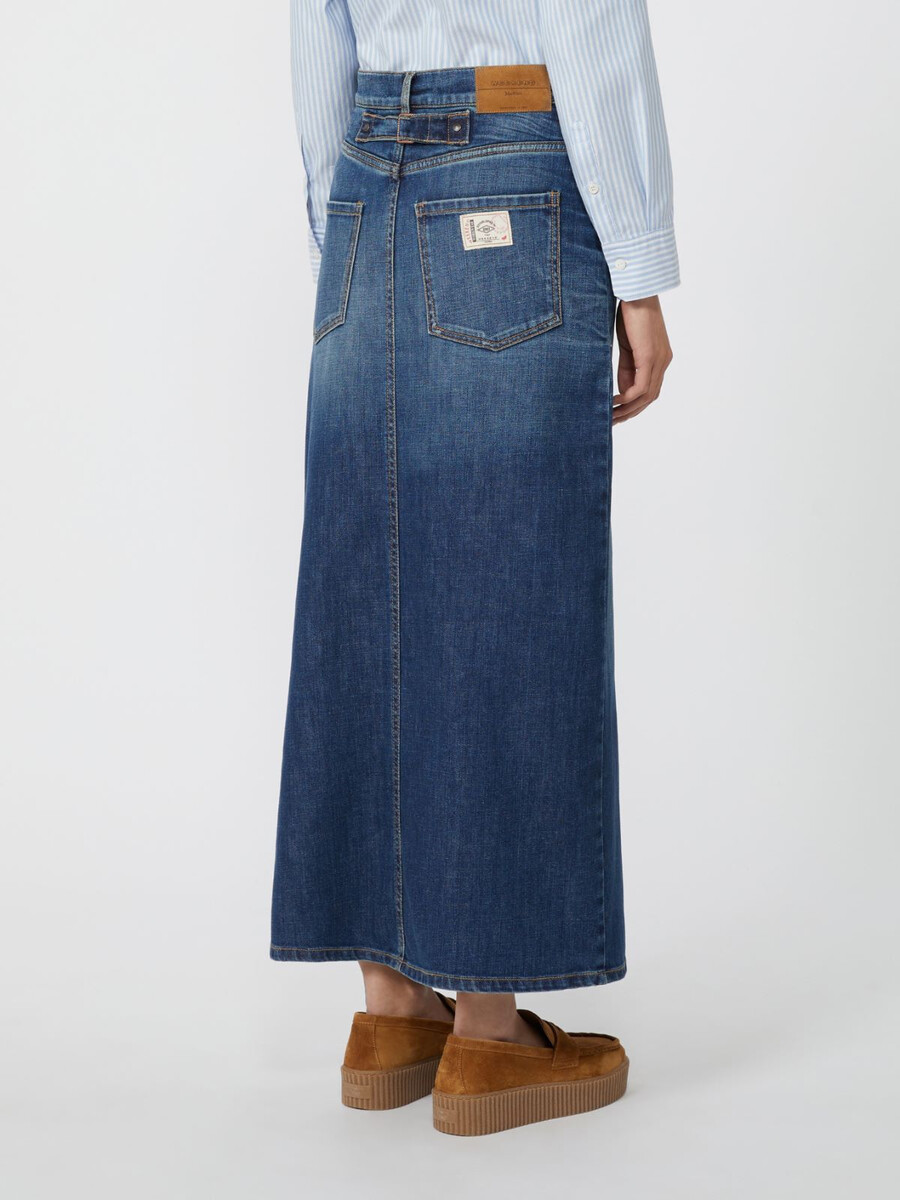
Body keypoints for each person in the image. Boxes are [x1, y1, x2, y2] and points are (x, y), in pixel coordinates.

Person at [272, 0, 677, 1136]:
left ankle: (393, 1011)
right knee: (507, 593)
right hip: (513, 165)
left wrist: (346, 229)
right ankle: (490, 1033)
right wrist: (640, 272)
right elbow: (590, 33)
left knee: (363, 591)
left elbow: (317, 46)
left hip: (364, 186)